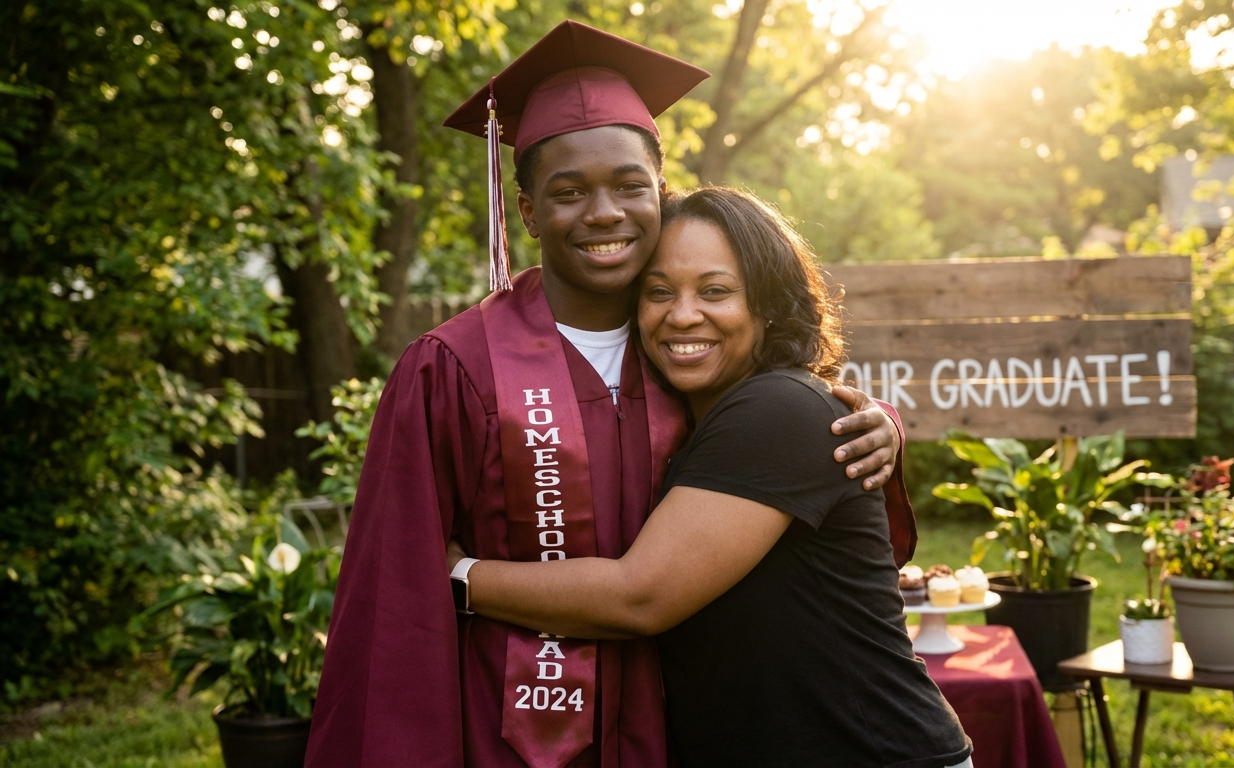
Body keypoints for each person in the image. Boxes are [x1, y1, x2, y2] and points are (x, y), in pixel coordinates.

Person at [305, 22, 910, 768]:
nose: (604, 213)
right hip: (508, 734)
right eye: (568, 192)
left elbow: (789, 418)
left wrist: (877, 419)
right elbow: (396, 603)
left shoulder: (682, 352)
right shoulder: (452, 371)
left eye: (629, 186)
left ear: (659, 191)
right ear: (526, 212)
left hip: (670, 731)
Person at [450, 187, 974, 768]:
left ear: (766, 304)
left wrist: (457, 574)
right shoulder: (686, 424)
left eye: (716, 291)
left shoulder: (777, 409)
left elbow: (639, 596)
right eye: (658, 293)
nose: (682, 315)